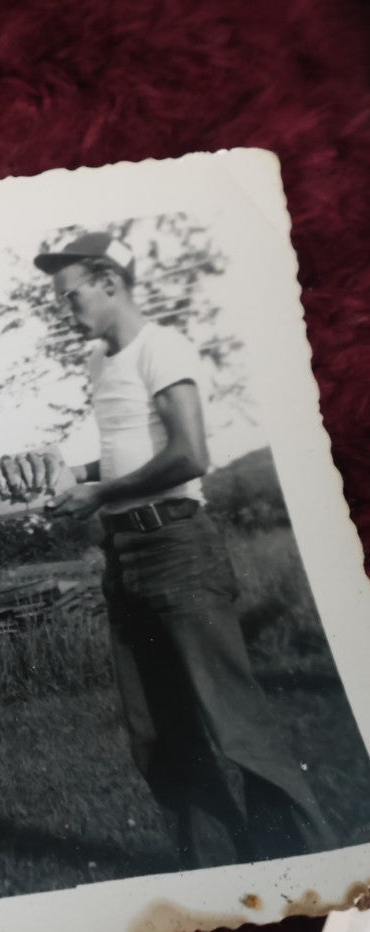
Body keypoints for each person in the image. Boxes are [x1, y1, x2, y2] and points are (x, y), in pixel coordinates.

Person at [36, 232, 335, 869]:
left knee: (233, 722)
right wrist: (77, 480)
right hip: (126, 555)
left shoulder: (161, 347)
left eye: (72, 296)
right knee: (157, 729)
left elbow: (190, 454)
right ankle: (218, 875)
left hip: (178, 548)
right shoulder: (99, 362)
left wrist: (101, 490)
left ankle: (306, 870)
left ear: (110, 281)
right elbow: (128, 452)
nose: (67, 310)